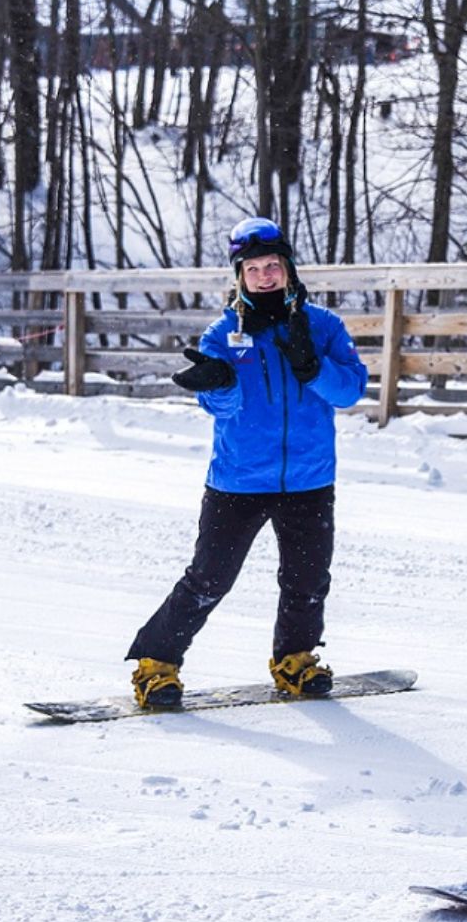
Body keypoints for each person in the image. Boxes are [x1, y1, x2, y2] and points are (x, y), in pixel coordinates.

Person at [126, 216, 370, 707]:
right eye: (253, 268)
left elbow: (352, 390)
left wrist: (314, 368)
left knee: (307, 579)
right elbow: (222, 410)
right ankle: (156, 665)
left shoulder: (323, 327)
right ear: (239, 275)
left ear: (288, 269)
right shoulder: (224, 333)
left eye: (272, 266)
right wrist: (218, 384)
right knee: (209, 577)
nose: (264, 276)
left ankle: (295, 659)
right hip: (239, 480)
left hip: (309, 478)